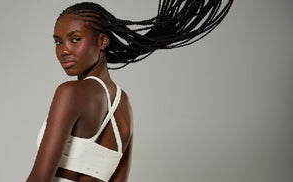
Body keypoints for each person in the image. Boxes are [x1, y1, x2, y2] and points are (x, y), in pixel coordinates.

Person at [26, 0, 233, 181]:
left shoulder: (70, 92)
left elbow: (39, 178)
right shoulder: (123, 104)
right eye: (58, 41)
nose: (63, 50)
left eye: (75, 39)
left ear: (102, 41)